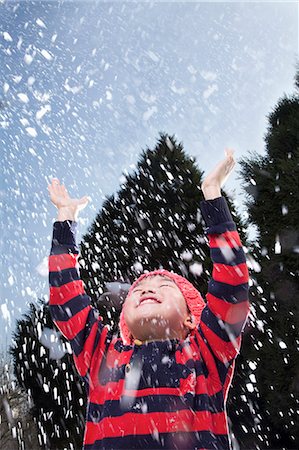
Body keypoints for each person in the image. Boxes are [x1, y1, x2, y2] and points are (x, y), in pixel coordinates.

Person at [48, 149, 250, 450]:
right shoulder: (103, 356)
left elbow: (231, 285)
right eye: (138, 289)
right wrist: (66, 221)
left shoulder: (206, 352)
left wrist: (212, 194)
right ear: (125, 320)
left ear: (190, 318)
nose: (145, 288)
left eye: (164, 285)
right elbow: (66, 300)